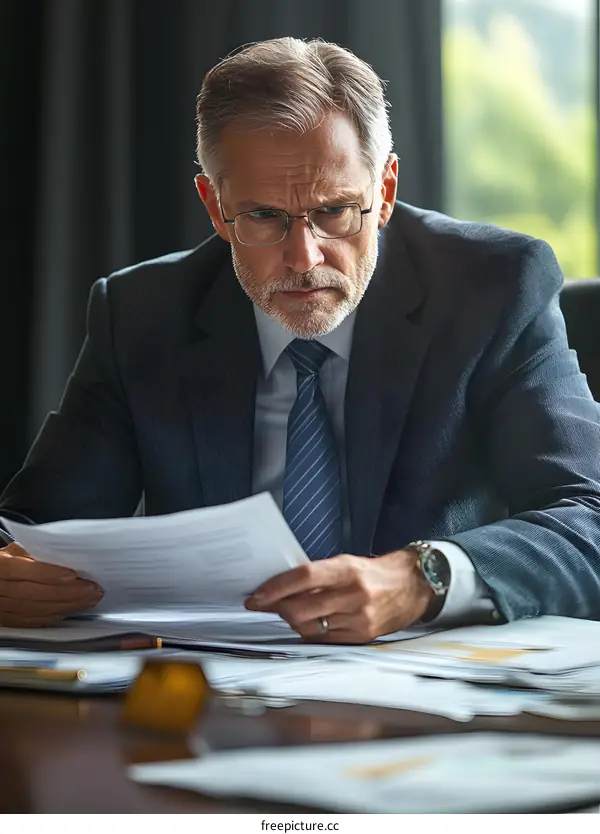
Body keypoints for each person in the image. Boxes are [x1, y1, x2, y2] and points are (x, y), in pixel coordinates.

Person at [1, 37, 600, 640]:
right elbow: (31, 526)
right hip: (210, 689)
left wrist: (424, 579)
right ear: (215, 207)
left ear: (385, 191)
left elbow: (589, 519)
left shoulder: (493, 289)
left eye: (336, 211)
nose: (303, 257)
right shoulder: (141, 314)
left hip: (425, 695)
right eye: (263, 216)